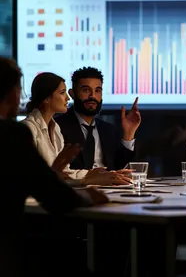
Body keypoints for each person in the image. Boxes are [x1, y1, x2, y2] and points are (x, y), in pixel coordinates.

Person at [0, 58, 108, 277]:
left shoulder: (54, 128)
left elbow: (47, 176)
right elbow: (49, 191)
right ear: (11, 93)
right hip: (11, 243)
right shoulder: (16, 133)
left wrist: (86, 175)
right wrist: (88, 196)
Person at [22, 72, 130, 186]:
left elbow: (64, 172)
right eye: (62, 93)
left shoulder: (55, 129)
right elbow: (31, 177)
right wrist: (86, 180)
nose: (67, 98)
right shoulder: (27, 129)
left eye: (98, 90)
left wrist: (95, 174)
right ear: (46, 98)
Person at [55, 67, 140, 171]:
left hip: (109, 186)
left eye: (97, 90)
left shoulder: (108, 130)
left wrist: (128, 134)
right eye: (86, 90)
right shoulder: (57, 126)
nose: (93, 96)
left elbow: (118, 167)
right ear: (72, 94)